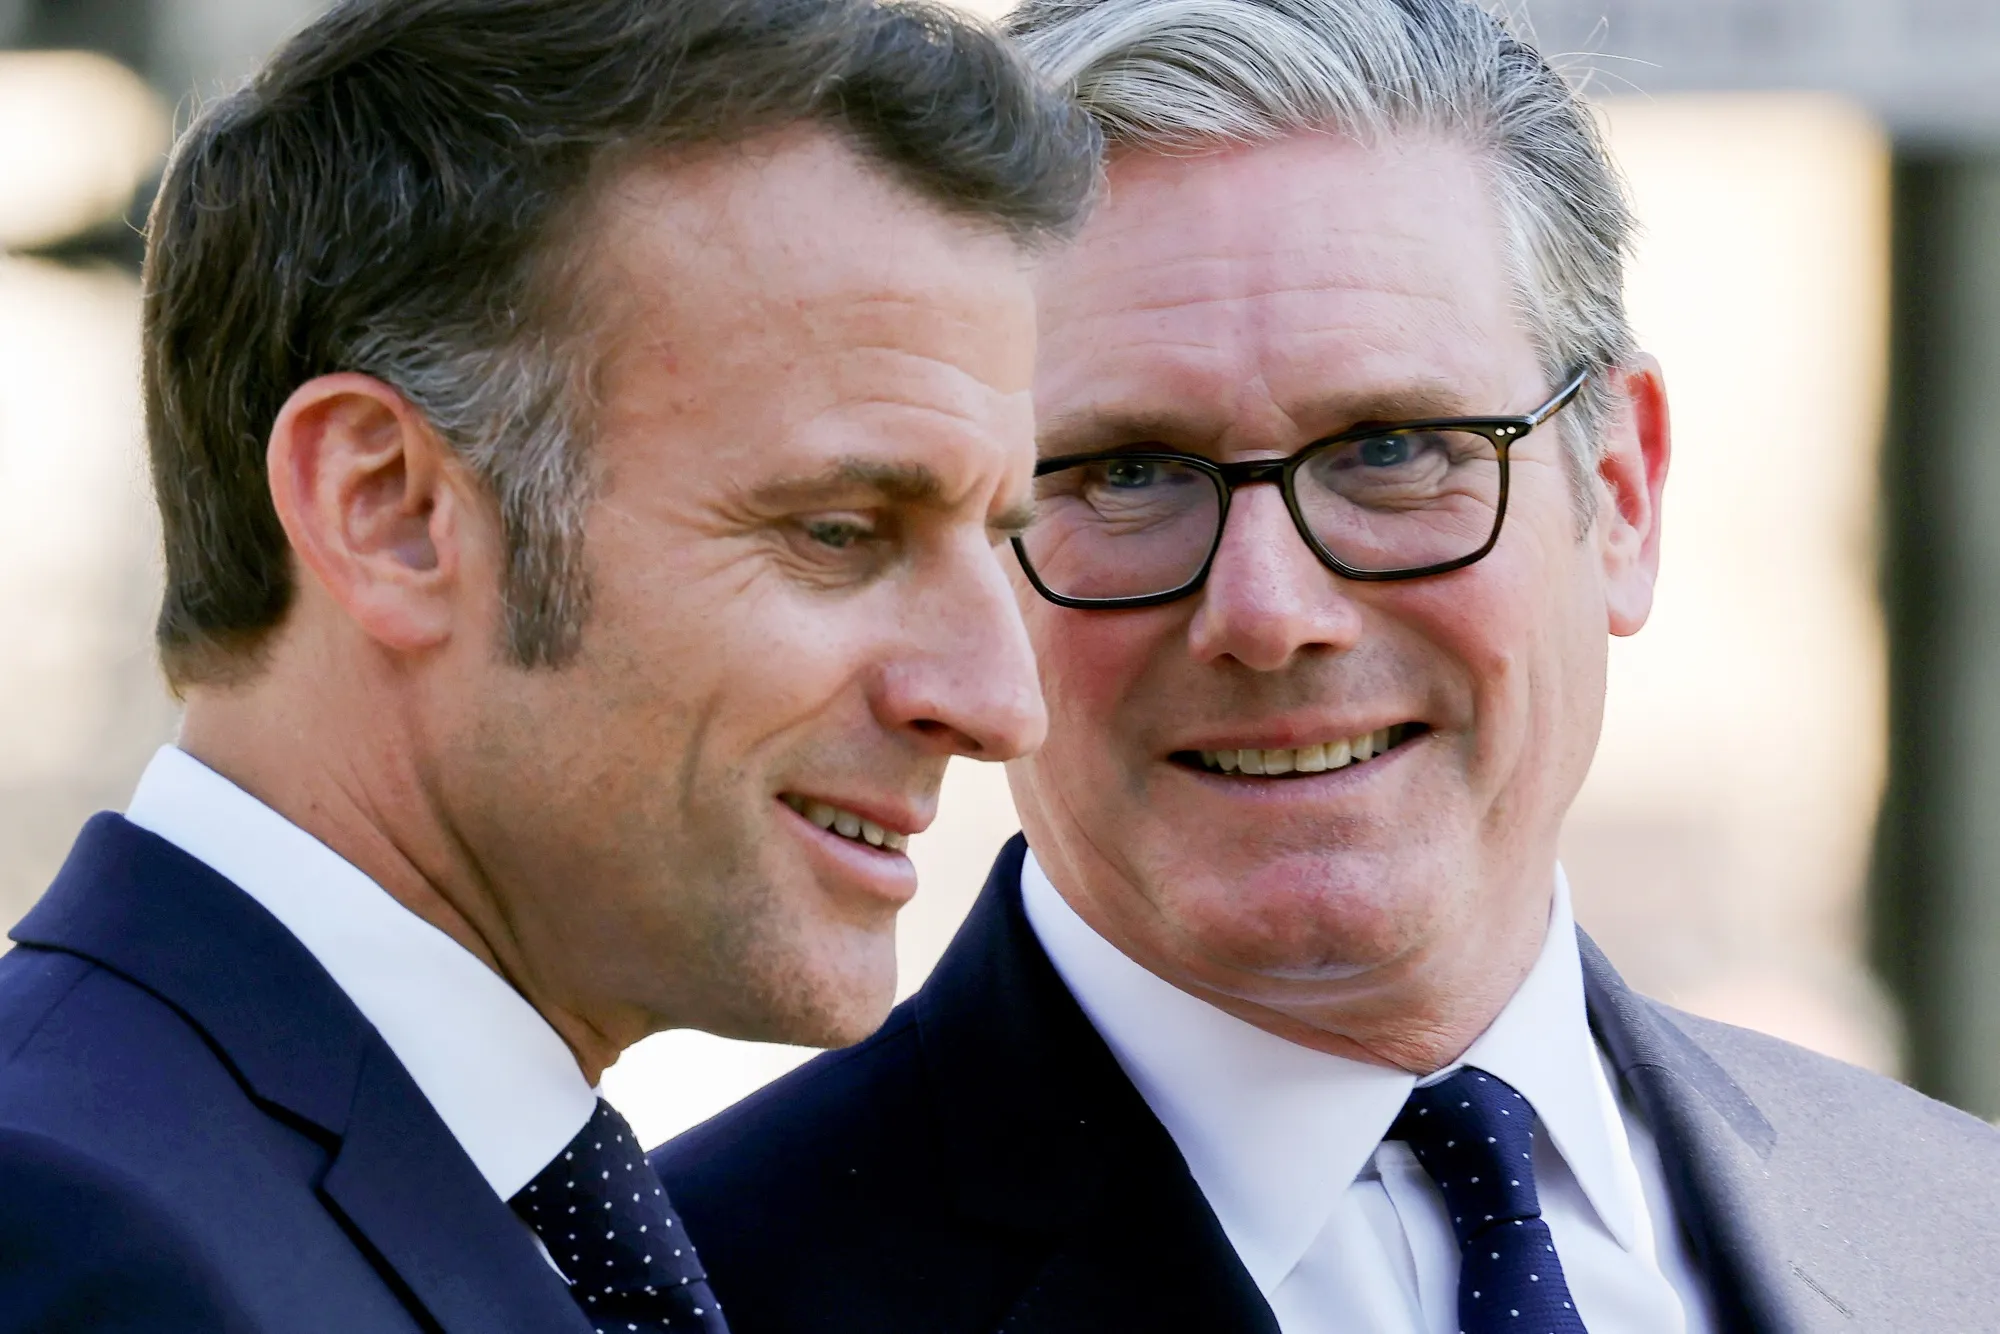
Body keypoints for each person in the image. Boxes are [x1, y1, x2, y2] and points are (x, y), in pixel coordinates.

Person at [653, 0, 2000, 1329]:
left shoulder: (1958, 1233)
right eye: (1129, 472)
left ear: (1623, 489)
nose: (1268, 609)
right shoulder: (669, 1304)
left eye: (1391, 450)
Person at [0, 0, 1096, 1328]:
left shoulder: (465, 1199)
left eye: (998, 535)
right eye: (839, 532)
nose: (997, 702)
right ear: (388, 509)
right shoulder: (69, 1230)